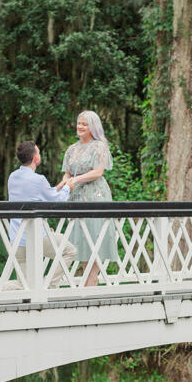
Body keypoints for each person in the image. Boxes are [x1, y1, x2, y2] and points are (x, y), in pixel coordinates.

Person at [0, 140, 77, 291]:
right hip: (37, 238)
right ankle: (48, 285)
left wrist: (59, 187)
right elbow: (56, 201)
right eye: (38, 152)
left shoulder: (13, 177)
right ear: (36, 158)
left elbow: (40, 194)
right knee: (69, 251)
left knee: (24, 284)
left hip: (16, 239)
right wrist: (68, 189)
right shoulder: (39, 180)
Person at [61, 111, 118, 287]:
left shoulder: (99, 147)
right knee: (82, 246)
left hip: (95, 196)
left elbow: (98, 172)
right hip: (76, 198)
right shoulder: (71, 149)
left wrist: (76, 180)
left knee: (94, 244)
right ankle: (87, 287)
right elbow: (67, 173)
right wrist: (64, 185)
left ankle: (90, 287)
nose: (80, 127)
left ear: (92, 127)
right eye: (79, 123)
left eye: (84, 124)